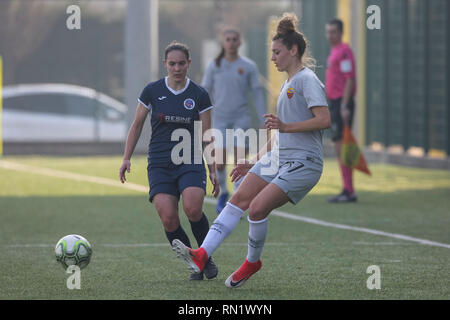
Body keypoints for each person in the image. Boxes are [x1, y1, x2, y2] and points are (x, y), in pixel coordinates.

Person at [172, 13, 331, 288]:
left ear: (293, 51)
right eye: (272, 52)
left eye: (276, 52)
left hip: (304, 163)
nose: (272, 58)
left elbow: (324, 120)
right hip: (279, 158)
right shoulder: (287, 84)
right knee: (238, 198)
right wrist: (254, 160)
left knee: (256, 209)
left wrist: (285, 125)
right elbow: (279, 134)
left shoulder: (307, 80)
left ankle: (251, 262)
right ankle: (201, 254)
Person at [119, 41, 220, 281]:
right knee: (168, 217)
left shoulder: (199, 94)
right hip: (160, 163)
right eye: (172, 63)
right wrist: (126, 158)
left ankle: (205, 256)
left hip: (190, 159)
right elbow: (137, 125)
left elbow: (207, 134)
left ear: (188, 64)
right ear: (165, 64)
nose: (177, 68)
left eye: (181, 63)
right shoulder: (152, 90)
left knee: (193, 207)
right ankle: (193, 261)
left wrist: (213, 169)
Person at [201, 27, 266, 214]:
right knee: (219, 162)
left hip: (241, 118)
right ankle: (223, 193)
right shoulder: (215, 65)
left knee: (240, 161)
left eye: (234, 39)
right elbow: (205, 91)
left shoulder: (248, 66)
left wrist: (263, 118)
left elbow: (256, 92)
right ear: (223, 42)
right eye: (227, 39)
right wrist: (200, 115)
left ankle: (237, 200)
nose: (230, 42)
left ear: (239, 42)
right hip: (219, 118)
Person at [325, 18, 358, 203]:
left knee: (342, 146)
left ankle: (349, 190)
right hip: (335, 103)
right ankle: (347, 188)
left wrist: (345, 105)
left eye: (333, 31)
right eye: (328, 31)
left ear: (341, 32)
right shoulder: (334, 51)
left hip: (341, 103)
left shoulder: (344, 52)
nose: (330, 35)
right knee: (340, 146)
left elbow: (350, 79)